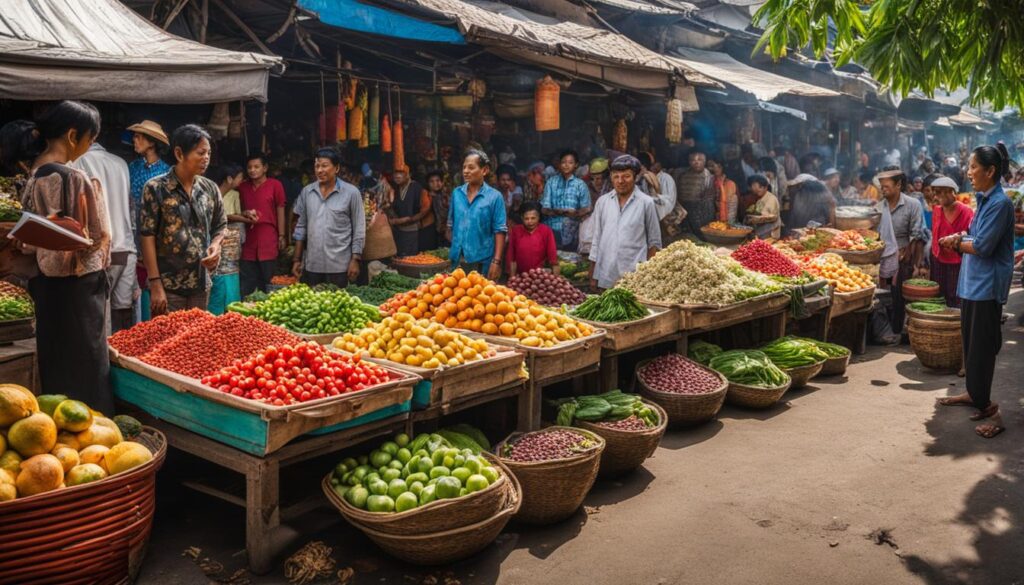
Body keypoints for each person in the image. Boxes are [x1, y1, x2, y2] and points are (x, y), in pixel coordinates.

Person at [2, 101, 113, 412]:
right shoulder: (69, 177)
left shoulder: (34, 174)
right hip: (76, 287)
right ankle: (90, 426)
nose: (89, 147)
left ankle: (57, 423)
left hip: (47, 286)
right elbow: (87, 238)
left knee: (57, 361)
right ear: (73, 135)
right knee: (85, 365)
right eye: (91, 139)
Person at [936, 144, 1016, 439]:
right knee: (970, 346)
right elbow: (977, 237)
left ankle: (993, 413)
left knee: (982, 349)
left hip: (986, 287)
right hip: (972, 284)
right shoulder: (985, 200)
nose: (968, 173)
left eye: (973, 167)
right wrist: (961, 236)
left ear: (990, 171)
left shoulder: (1000, 204)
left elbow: (983, 246)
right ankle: (974, 394)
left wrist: (957, 243)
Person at [140, 124, 225, 314]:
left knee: (195, 341)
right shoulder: (155, 188)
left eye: (209, 154)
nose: (206, 159)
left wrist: (216, 246)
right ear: (179, 154)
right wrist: (155, 283)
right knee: (166, 341)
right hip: (168, 286)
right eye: (201, 153)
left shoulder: (210, 188)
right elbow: (147, 236)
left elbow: (220, 224)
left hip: (201, 285)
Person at [72, 140, 136, 334]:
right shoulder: (121, 163)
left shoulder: (77, 161)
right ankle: (121, 356)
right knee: (122, 312)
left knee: (98, 315)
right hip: (125, 249)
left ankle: (103, 361)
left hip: (99, 250)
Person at [292, 148, 364, 287]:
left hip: (340, 266)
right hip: (313, 265)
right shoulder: (307, 192)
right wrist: (297, 259)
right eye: (317, 166)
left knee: (337, 305)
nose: (319, 170)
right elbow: (301, 227)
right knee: (313, 305)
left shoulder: (351, 193)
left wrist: (355, 259)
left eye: (324, 165)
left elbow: (359, 229)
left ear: (336, 168)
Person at [588, 155, 662, 290]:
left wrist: (648, 276)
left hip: (634, 277)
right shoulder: (603, 202)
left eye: (626, 176)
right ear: (611, 178)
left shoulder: (646, 203)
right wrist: (593, 272)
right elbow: (596, 239)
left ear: (635, 177)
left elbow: (654, 243)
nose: (620, 181)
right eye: (616, 176)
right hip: (606, 274)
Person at [875, 166, 927, 336]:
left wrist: (916, 264)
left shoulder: (913, 205)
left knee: (899, 297)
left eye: (886, 186)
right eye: (881, 186)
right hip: (882, 257)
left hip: (905, 257)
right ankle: (885, 330)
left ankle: (898, 329)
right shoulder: (878, 207)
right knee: (883, 296)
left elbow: (917, 234)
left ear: (898, 185)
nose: (883, 189)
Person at [447, 150, 507, 280]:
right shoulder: (457, 194)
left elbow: (500, 231)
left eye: (471, 167)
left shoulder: (495, 197)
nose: (466, 171)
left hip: (482, 260)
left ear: (484, 170)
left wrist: (496, 262)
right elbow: (450, 225)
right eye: (464, 167)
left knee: (479, 296)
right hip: (457, 259)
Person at [237, 152, 286, 295]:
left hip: (268, 236)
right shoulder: (242, 187)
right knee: (248, 281)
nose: (252, 170)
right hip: (248, 238)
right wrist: (244, 213)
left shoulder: (275, 185)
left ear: (265, 168)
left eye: (256, 167)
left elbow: (280, 209)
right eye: (249, 167)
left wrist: (282, 235)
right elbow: (236, 208)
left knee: (269, 279)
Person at [207, 164, 246, 314]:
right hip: (218, 252)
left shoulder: (230, 193)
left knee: (228, 287)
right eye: (239, 177)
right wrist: (242, 218)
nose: (242, 180)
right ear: (229, 179)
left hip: (230, 256)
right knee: (218, 290)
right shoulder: (212, 195)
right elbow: (217, 219)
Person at [929, 176, 972, 307]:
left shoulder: (966, 211)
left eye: (944, 191)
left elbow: (971, 234)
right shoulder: (937, 210)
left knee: (955, 295)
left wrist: (955, 237)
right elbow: (935, 234)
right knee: (939, 295)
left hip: (957, 261)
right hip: (938, 259)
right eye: (937, 192)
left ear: (953, 192)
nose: (939, 196)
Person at [541, 149, 591, 251]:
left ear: (576, 165)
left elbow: (587, 209)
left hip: (573, 232)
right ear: (559, 164)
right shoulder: (551, 182)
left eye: (570, 162)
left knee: (570, 262)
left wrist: (575, 213)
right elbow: (544, 209)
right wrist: (556, 211)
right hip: (552, 229)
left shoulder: (580, 185)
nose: (566, 165)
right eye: (563, 162)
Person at [388, 165, 430, 257]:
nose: (397, 176)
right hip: (398, 230)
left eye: (401, 173)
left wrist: (409, 219)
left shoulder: (417, 187)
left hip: (412, 230)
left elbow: (425, 209)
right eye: (396, 173)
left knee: (410, 258)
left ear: (408, 175)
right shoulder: (396, 188)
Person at [507, 202, 557, 277]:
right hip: (520, 276)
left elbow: (552, 256)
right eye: (526, 219)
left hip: (540, 276)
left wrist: (556, 278)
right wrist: (512, 277)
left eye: (533, 218)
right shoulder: (515, 231)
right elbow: (511, 256)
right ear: (521, 218)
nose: (530, 222)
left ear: (538, 217)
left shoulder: (546, 231)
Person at [674, 150, 715, 239]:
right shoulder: (681, 174)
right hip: (684, 210)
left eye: (700, 160)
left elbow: (709, 202)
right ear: (689, 162)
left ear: (704, 162)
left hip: (701, 212)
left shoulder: (709, 177)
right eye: (693, 160)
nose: (696, 162)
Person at [579, 158, 608, 257]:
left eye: (599, 178)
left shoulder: (610, 188)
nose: (596, 182)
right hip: (589, 225)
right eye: (593, 179)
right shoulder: (587, 188)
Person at [745, 174, 782, 239]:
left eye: (761, 187)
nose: (758, 189)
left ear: (766, 187)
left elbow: (774, 217)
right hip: (761, 234)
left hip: (770, 235)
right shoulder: (759, 199)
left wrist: (757, 219)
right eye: (754, 186)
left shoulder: (772, 199)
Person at [708, 157, 738, 224]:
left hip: (728, 215)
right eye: (713, 166)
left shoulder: (730, 183)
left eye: (719, 166)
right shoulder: (709, 181)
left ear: (723, 168)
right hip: (713, 215)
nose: (716, 169)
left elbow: (730, 205)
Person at [427, 170, 450, 247]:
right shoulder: (426, 196)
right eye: (432, 182)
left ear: (442, 182)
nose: (435, 184)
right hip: (433, 232)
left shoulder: (447, 195)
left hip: (448, 230)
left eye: (438, 181)